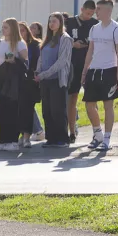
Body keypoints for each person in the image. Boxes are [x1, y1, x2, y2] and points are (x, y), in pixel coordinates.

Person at [81, 0, 118, 151]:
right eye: (96, 9)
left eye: (99, 9)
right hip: (94, 70)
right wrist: (85, 71)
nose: (96, 12)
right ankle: (97, 134)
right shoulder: (94, 28)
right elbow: (90, 51)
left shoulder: (116, 29)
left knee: (108, 106)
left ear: (108, 10)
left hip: (109, 71)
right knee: (89, 105)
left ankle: (106, 139)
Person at [0, 18, 29, 151]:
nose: (3, 30)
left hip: (14, 78)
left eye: (6, 27)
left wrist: (14, 59)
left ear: (12, 29)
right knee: (2, 108)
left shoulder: (20, 43)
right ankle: (3, 140)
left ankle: (13, 140)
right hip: (1, 76)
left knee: (12, 108)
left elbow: (26, 61)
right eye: (3, 27)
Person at [34, 13, 73, 147]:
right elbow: (41, 58)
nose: (51, 24)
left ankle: (62, 138)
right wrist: (38, 71)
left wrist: (45, 74)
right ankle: (51, 138)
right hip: (45, 80)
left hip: (57, 80)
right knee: (47, 110)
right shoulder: (47, 40)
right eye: (50, 21)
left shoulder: (65, 39)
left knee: (58, 110)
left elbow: (62, 61)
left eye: (54, 21)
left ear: (61, 23)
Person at [64, 0, 98, 143]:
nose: (89, 16)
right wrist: (73, 43)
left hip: (90, 65)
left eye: (91, 13)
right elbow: (60, 38)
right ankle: (72, 131)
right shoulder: (69, 22)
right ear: (81, 9)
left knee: (92, 100)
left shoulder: (95, 24)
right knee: (72, 99)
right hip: (73, 65)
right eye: (87, 13)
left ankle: (96, 132)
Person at [19, 22, 43, 146]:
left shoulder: (35, 45)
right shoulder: (14, 44)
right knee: (18, 108)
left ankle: (27, 136)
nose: (20, 33)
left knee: (28, 108)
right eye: (18, 31)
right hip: (17, 80)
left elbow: (38, 62)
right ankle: (21, 134)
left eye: (22, 30)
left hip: (30, 79)